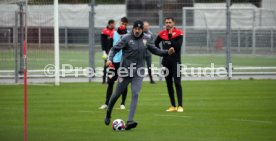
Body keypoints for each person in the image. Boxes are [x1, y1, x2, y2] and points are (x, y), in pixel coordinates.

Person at [104, 20, 175, 130]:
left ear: (142, 29)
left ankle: (129, 121)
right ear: (133, 29)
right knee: (116, 95)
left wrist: (167, 52)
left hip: (138, 72)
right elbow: (114, 49)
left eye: (139, 29)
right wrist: (109, 59)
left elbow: (155, 50)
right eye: (135, 29)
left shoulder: (146, 38)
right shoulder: (126, 38)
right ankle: (108, 113)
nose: (137, 31)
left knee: (135, 94)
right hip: (125, 71)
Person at [99, 17, 129, 110]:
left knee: (123, 83)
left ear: (127, 25)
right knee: (110, 82)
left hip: (123, 63)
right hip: (113, 62)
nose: (123, 25)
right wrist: (109, 58)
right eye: (122, 23)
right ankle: (106, 103)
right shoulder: (114, 33)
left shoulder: (129, 35)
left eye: (125, 24)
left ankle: (122, 103)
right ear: (120, 23)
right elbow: (110, 47)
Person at [155, 17, 184, 112]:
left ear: (173, 23)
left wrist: (171, 36)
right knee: (169, 84)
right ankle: (173, 106)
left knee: (177, 83)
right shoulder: (162, 34)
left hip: (176, 62)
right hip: (166, 63)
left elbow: (177, 46)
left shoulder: (179, 33)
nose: (168, 24)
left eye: (170, 22)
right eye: (166, 22)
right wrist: (161, 52)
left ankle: (180, 106)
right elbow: (155, 44)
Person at [101, 19, 116, 84]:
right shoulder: (104, 31)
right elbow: (102, 42)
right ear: (110, 24)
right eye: (113, 24)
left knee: (112, 66)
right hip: (106, 52)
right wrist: (103, 51)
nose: (114, 25)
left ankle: (110, 79)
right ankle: (104, 80)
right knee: (106, 66)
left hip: (113, 51)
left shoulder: (114, 31)